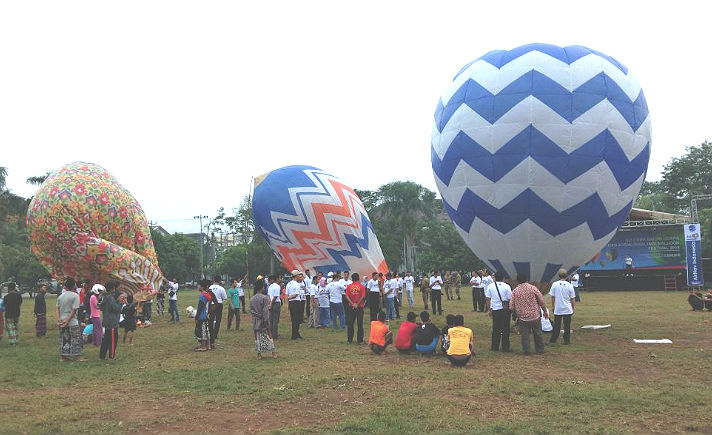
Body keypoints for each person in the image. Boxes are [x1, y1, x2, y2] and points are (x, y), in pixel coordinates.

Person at [510, 274, 548, 355]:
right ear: (527, 279)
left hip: (522, 317)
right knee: (538, 333)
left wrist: (515, 312)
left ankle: (527, 350)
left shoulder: (515, 291)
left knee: (525, 334)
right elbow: (541, 300)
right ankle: (540, 349)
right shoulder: (533, 288)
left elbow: (511, 306)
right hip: (535, 315)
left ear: (517, 281)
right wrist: (545, 311)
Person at [57, 281, 85, 362]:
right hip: (72, 321)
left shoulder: (61, 296)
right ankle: (78, 357)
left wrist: (59, 319)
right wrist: (68, 320)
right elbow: (74, 309)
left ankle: (63, 357)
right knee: (75, 338)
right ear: (73, 286)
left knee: (63, 339)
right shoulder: (75, 296)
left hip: (62, 320)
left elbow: (57, 308)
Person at [250, 279, 277, 359]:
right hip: (263, 319)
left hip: (255, 319)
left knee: (256, 336)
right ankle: (273, 352)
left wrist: (256, 315)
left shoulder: (252, 298)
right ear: (262, 288)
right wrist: (265, 320)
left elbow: (251, 310)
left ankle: (258, 354)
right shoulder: (265, 298)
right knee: (269, 335)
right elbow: (265, 311)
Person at [485, 271, 512, 352]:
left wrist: (489, 309)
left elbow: (488, 299)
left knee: (496, 328)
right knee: (505, 329)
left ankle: (495, 347)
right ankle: (505, 347)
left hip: (495, 309)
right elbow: (510, 299)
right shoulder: (507, 286)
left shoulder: (490, 286)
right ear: (503, 278)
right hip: (505, 310)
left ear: (495, 278)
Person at [549, 269, 576, 345]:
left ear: (559, 276)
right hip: (567, 309)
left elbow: (552, 297)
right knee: (567, 326)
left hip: (558, 308)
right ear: (566, 276)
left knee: (557, 326)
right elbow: (572, 298)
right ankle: (567, 341)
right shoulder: (569, 285)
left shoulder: (555, 284)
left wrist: (553, 306)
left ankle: (553, 340)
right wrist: (572, 308)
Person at [99, 281, 122, 360]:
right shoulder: (110, 298)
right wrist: (119, 302)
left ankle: (102, 355)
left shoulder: (104, 297)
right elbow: (116, 308)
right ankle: (111, 356)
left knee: (106, 339)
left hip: (106, 320)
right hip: (112, 322)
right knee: (113, 340)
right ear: (112, 289)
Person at [344, 273, 366, 344]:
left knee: (350, 323)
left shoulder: (349, 286)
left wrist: (352, 303)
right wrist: (357, 303)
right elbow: (363, 296)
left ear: (352, 278)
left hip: (351, 307)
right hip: (359, 307)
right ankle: (360, 340)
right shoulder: (362, 286)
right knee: (360, 324)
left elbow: (346, 296)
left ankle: (349, 340)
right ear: (358, 278)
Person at [286, 270, 306, 339]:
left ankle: (295, 334)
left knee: (293, 319)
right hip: (296, 302)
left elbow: (287, 294)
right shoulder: (297, 284)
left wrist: (288, 302)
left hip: (291, 302)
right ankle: (295, 335)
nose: (299, 277)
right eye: (298, 275)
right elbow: (296, 294)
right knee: (297, 319)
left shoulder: (288, 284)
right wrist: (290, 297)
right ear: (296, 276)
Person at [194, 279, 212, 352]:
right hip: (206, 314)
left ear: (202, 287)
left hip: (202, 316)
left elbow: (200, 307)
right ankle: (208, 345)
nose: (197, 286)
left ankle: (204, 346)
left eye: (199, 285)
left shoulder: (202, 295)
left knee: (202, 331)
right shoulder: (207, 294)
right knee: (206, 330)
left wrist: (196, 317)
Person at [208, 276, 227, 342]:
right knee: (218, 320)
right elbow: (224, 297)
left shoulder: (210, 287)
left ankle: (210, 334)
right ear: (219, 281)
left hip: (211, 304)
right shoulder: (221, 288)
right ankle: (215, 334)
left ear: (213, 280)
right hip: (219, 304)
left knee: (211, 319)